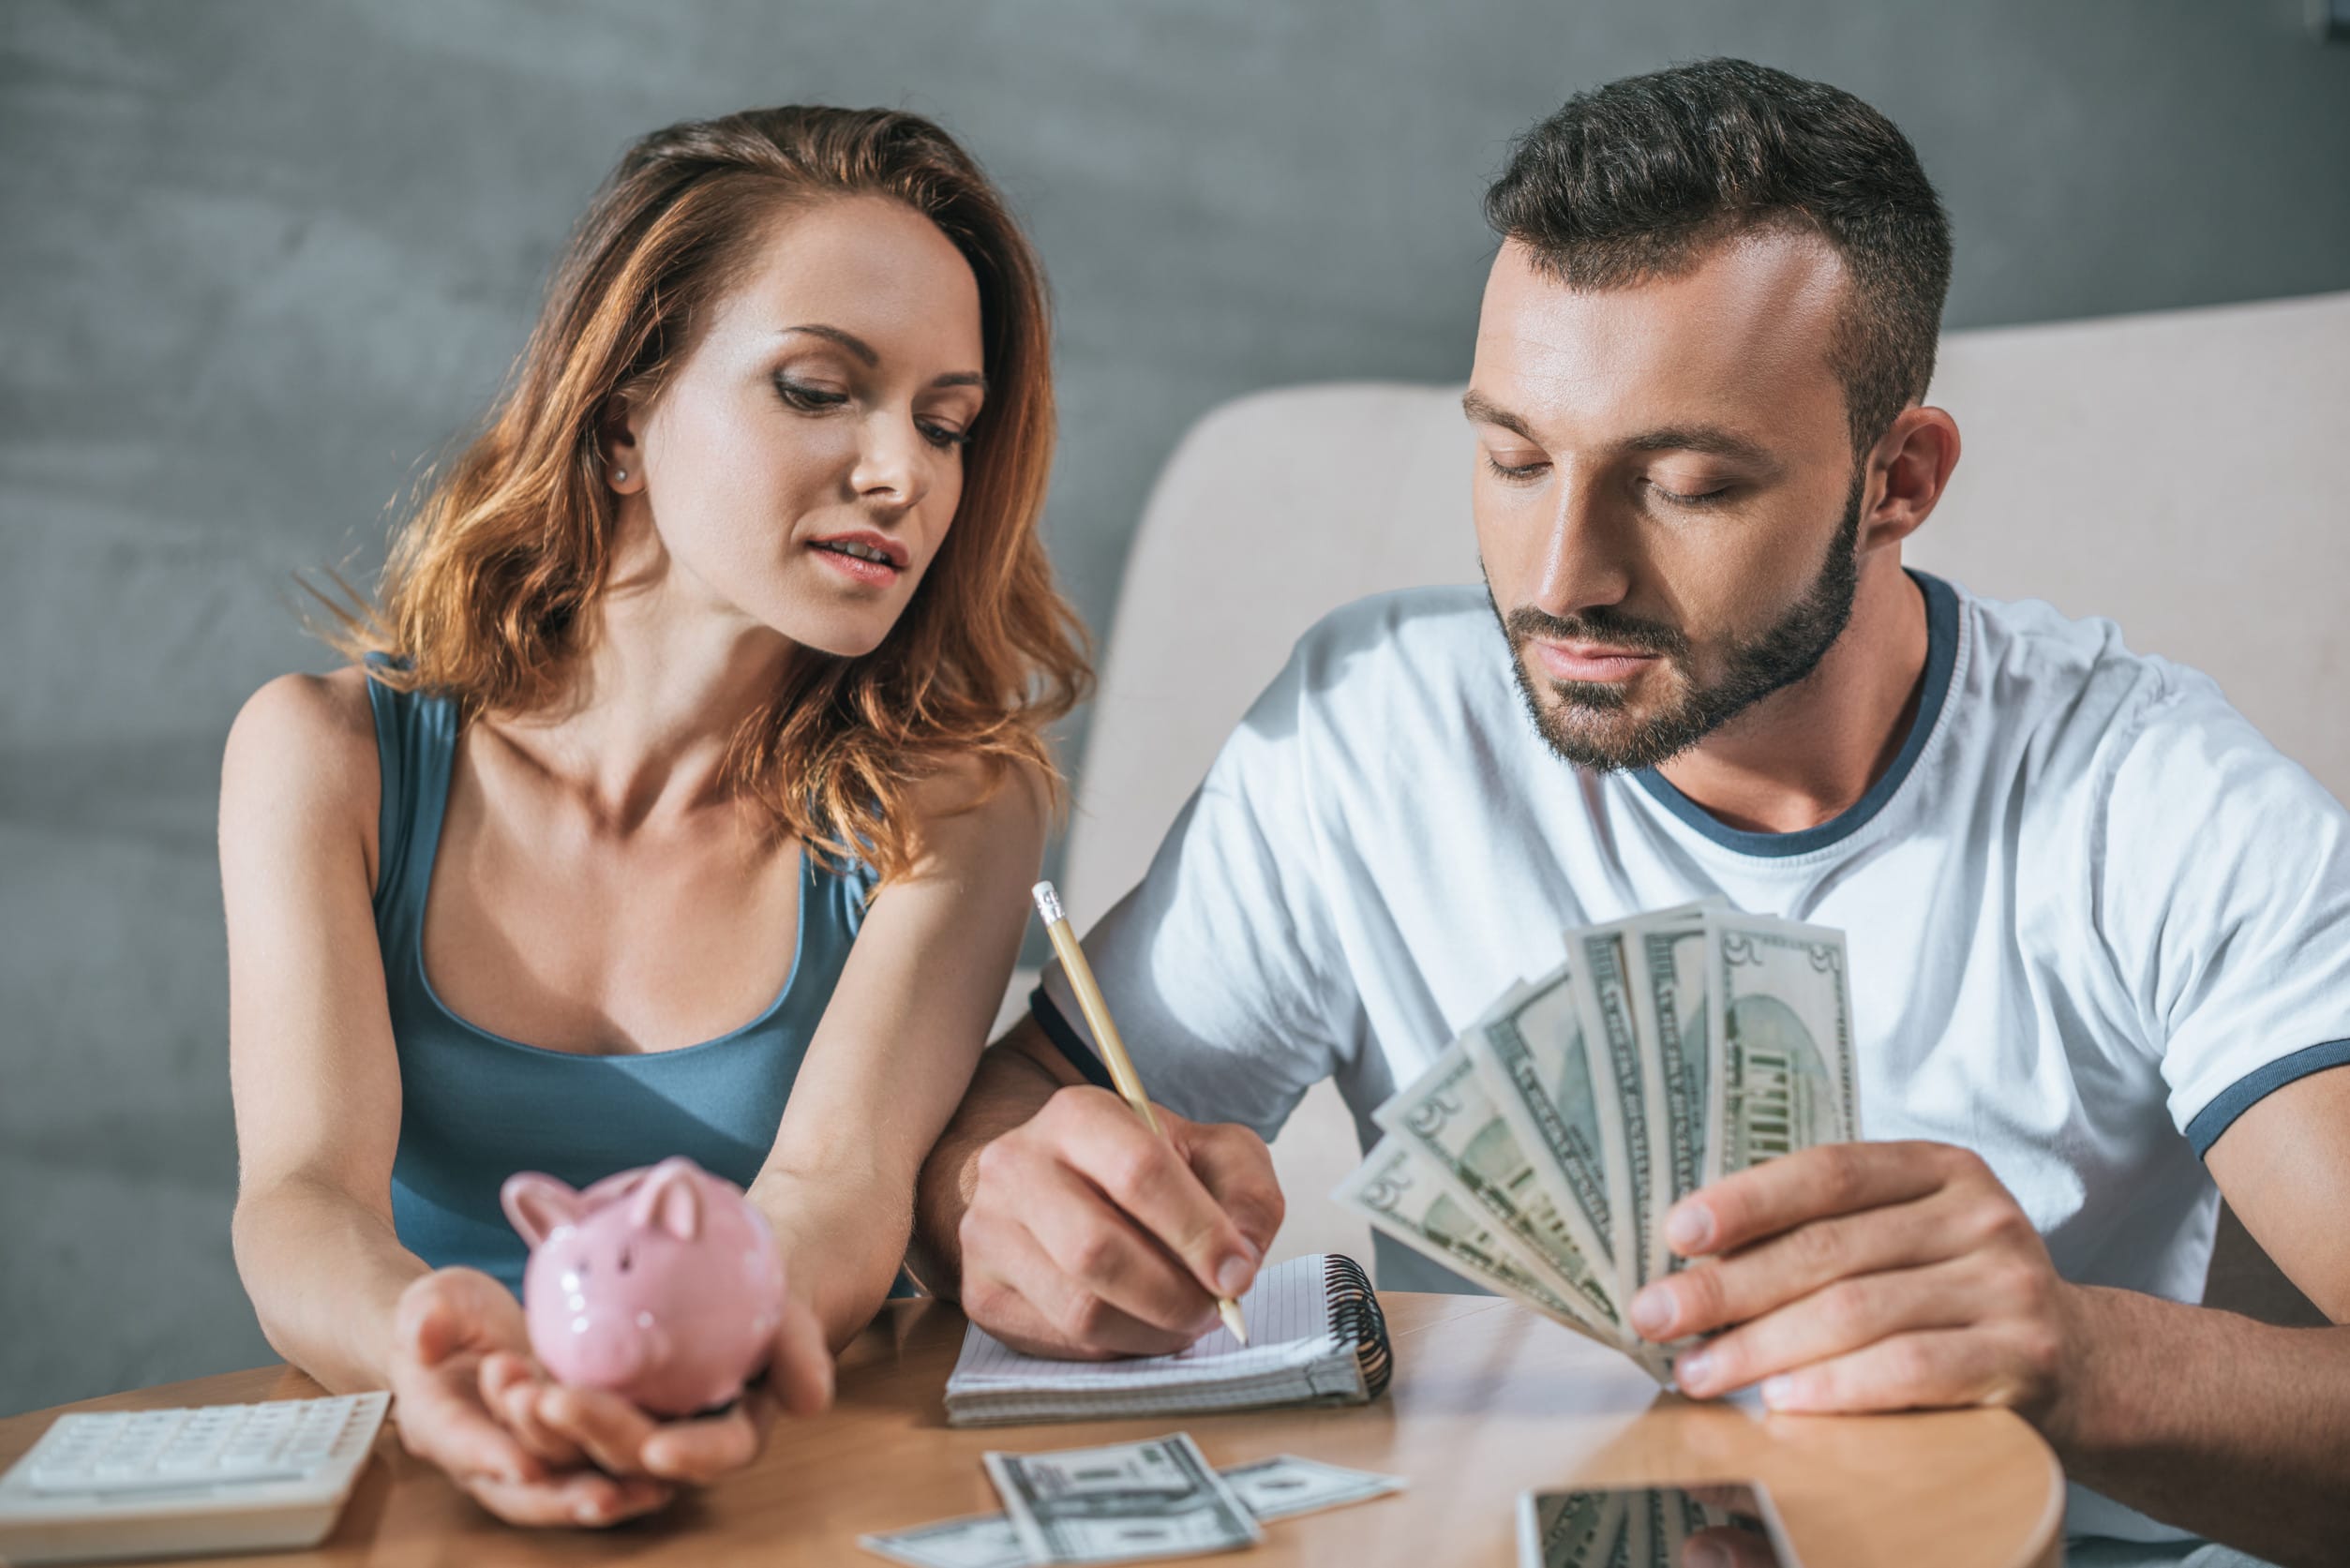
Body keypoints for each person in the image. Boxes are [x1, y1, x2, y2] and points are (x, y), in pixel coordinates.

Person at [908, 61, 2350, 1565]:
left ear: (1897, 479)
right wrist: (986, 1201)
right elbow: (1010, 1124)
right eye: (1515, 458)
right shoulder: (1370, 733)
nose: (1558, 576)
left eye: (1686, 484)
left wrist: (2079, 1353)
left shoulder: (2152, 802)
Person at [220, 106, 1087, 1528]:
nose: (905, 473)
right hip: (425, 1484)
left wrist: (683, 1360)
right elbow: (303, 1198)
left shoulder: (953, 811)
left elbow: (837, 1203)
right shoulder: (324, 760)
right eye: (820, 388)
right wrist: (449, 1361)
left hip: (772, 1494)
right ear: (625, 411)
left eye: (948, 424)